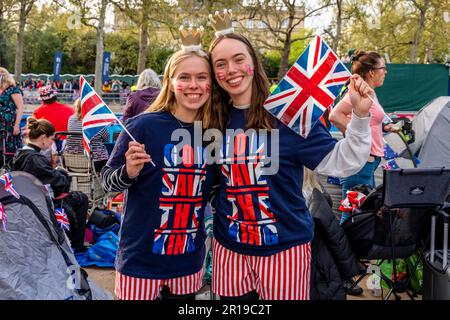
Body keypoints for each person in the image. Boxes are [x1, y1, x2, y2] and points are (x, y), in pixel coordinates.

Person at [207, 11, 373, 300]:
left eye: (238, 59)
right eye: (220, 64)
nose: (230, 70)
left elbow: (344, 163)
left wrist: (359, 116)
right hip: (229, 249)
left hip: (284, 249)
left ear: (253, 64)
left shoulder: (288, 113)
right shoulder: (212, 119)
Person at [100, 28, 216, 300]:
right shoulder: (142, 125)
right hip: (139, 261)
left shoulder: (214, 133)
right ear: (170, 82)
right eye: (184, 77)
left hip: (188, 261)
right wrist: (128, 172)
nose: (193, 85)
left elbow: (214, 191)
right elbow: (106, 181)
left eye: (202, 77)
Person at [329, 49, 400, 225]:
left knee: (362, 210)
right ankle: (341, 251)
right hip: (360, 160)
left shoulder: (370, 93)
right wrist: (356, 138)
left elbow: (368, 122)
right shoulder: (358, 93)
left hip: (369, 160)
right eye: (383, 68)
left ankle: (354, 250)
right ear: (371, 72)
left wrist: (386, 127)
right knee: (351, 211)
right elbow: (335, 116)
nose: (386, 72)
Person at [12, 117, 89, 253]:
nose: (51, 142)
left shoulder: (19, 154)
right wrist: (61, 173)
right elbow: (61, 184)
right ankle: (77, 244)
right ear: (43, 138)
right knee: (81, 198)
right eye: (50, 139)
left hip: (26, 200)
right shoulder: (35, 159)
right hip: (43, 203)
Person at [64, 98, 109, 172]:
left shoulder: (71, 119)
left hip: (71, 162)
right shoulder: (97, 120)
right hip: (95, 163)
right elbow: (107, 138)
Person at [33, 85, 74, 149]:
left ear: (42, 100)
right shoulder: (70, 109)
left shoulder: (38, 111)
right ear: (55, 97)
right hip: (67, 144)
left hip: (47, 144)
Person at [0, 67, 23, 165]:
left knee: (8, 149)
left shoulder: (13, 89)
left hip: (8, 123)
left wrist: (17, 125)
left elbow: (20, 108)